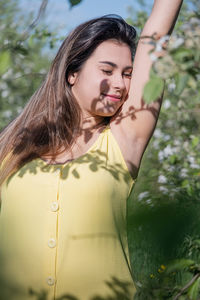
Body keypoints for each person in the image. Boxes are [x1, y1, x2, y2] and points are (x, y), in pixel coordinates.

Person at [0, 1, 183, 299]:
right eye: (107, 70)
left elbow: (157, 34)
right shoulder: (13, 146)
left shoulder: (124, 139)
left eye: (127, 73)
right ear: (72, 72)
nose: (120, 84)